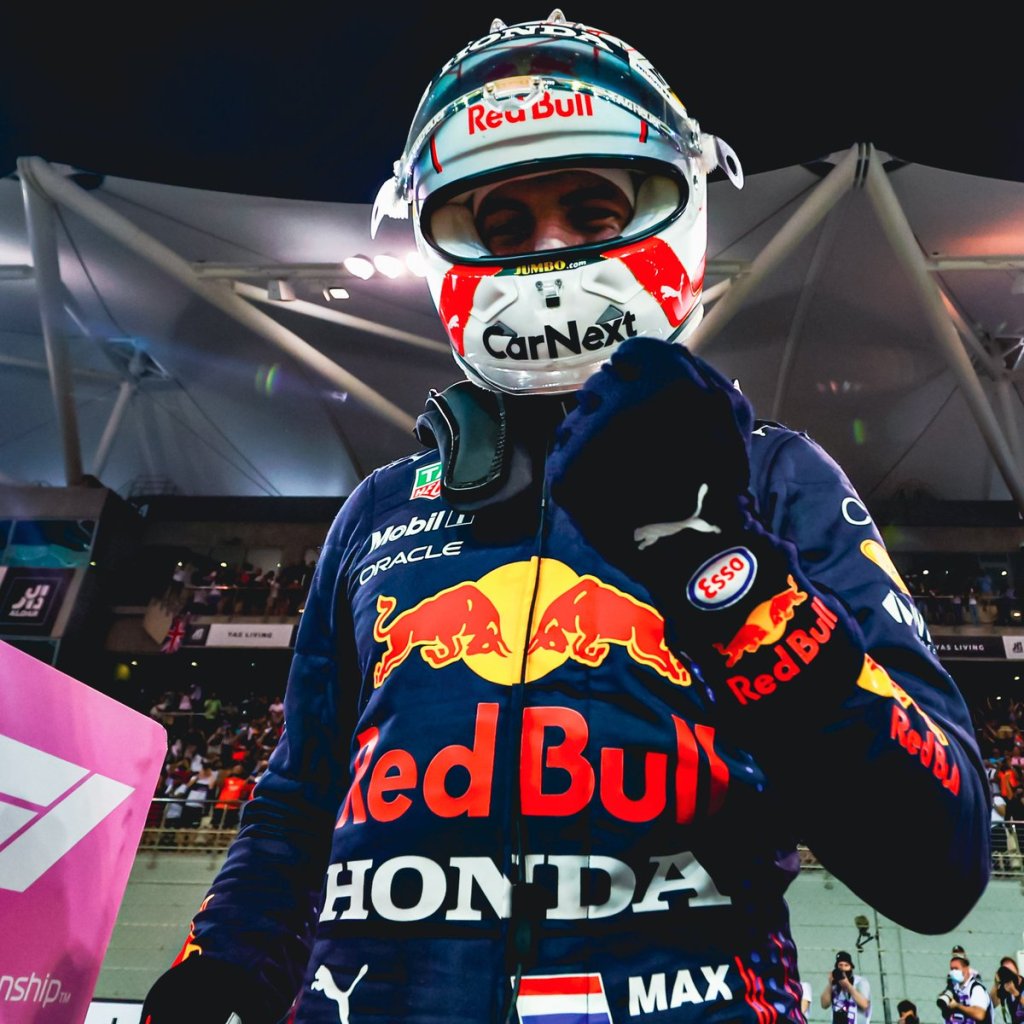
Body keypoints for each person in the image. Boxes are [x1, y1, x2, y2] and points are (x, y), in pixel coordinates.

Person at [141, 11, 991, 1024]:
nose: (547, 252)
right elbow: (297, 801)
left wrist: (720, 565)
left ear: (671, 211)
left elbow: (941, 857)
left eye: (591, 211)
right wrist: (219, 969)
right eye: (504, 224)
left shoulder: (772, 479)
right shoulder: (379, 510)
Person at [940, 953, 992, 1024]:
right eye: (951, 969)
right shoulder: (953, 988)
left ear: (966, 969)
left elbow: (979, 1014)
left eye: (956, 968)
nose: (953, 972)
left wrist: (957, 1006)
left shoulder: (976, 988)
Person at [821, 951, 870, 1024]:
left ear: (851, 967)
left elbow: (864, 1005)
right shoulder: (834, 985)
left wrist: (847, 985)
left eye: (846, 965)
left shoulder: (860, 982)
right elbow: (824, 1005)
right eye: (840, 965)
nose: (843, 968)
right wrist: (830, 984)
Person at [991, 958, 1023, 1024]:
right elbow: (993, 1004)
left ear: (1017, 971)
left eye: (1010, 971)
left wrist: (1016, 993)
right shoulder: (1006, 988)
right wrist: (997, 983)